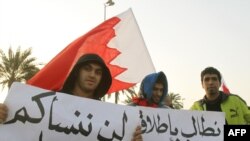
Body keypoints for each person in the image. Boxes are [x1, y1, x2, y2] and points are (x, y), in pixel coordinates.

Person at [0, 53, 142, 140]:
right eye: (87, 69)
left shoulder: (109, 117)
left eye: (98, 72)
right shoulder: (49, 103)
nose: (92, 75)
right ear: (76, 72)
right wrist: (4, 116)